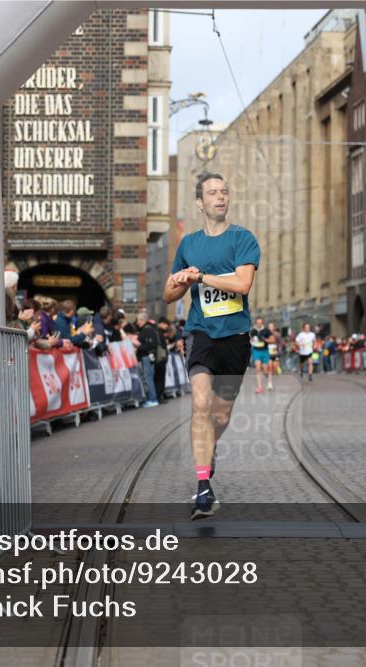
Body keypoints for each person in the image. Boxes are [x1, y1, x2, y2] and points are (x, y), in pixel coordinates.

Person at [163, 172, 260, 520]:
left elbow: (243, 284)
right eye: (212, 193)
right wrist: (181, 280)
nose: (220, 197)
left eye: (224, 191)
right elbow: (168, 294)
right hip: (200, 332)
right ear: (200, 203)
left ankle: (210, 446)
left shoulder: (242, 238)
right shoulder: (188, 244)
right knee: (201, 404)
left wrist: (201, 276)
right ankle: (203, 489)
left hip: (234, 337)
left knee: (219, 416)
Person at [134, 311, 161, 408]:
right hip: (146, 356)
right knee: (147, 378)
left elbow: (151, 345)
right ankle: (151, 398)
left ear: (142, 320)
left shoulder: (148, 330)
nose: (137, 323)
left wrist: (138, 346)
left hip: (146, 356)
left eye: (138, 320)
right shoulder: (147, 330)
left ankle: (153, 398)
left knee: (148, 378)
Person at [249, 316, 272, 393]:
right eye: (258, 323)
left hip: (265, 351)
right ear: (256, 323)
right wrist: (251, 341)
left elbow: (272, 340)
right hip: (256, 351)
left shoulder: (266, 330)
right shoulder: (253, 331)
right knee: (258, 369)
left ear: (262, 323)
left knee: (265, 370)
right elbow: (249, 339)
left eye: (260, 323)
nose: (259, 324)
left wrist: (265, 339)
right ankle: (259, 387)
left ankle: (266, 375)